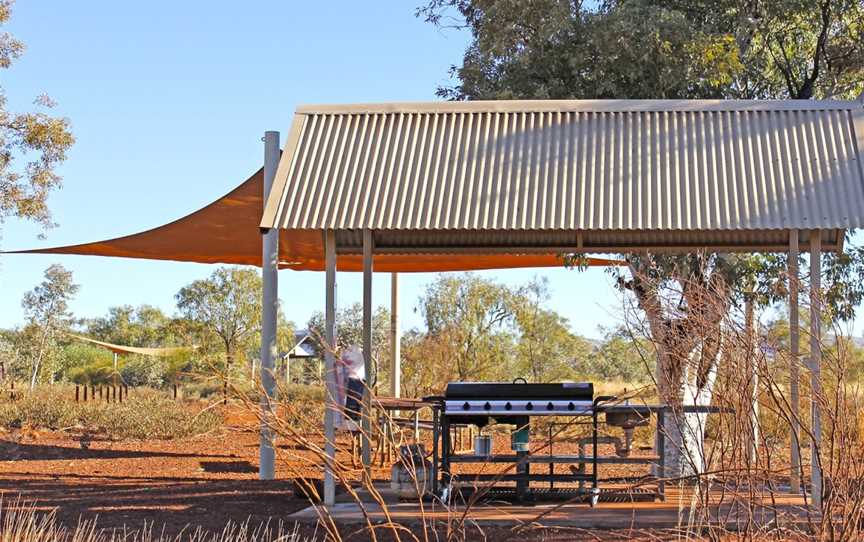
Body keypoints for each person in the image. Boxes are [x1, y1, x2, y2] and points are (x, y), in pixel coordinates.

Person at [338, 345, 365, 432]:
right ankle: (353, 425)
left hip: (354, 378)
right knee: (355, 403)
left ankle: (352, 425)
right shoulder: (358, 351)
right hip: (359, 378)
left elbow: (343, 364)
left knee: (352, 403)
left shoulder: (351, 351)